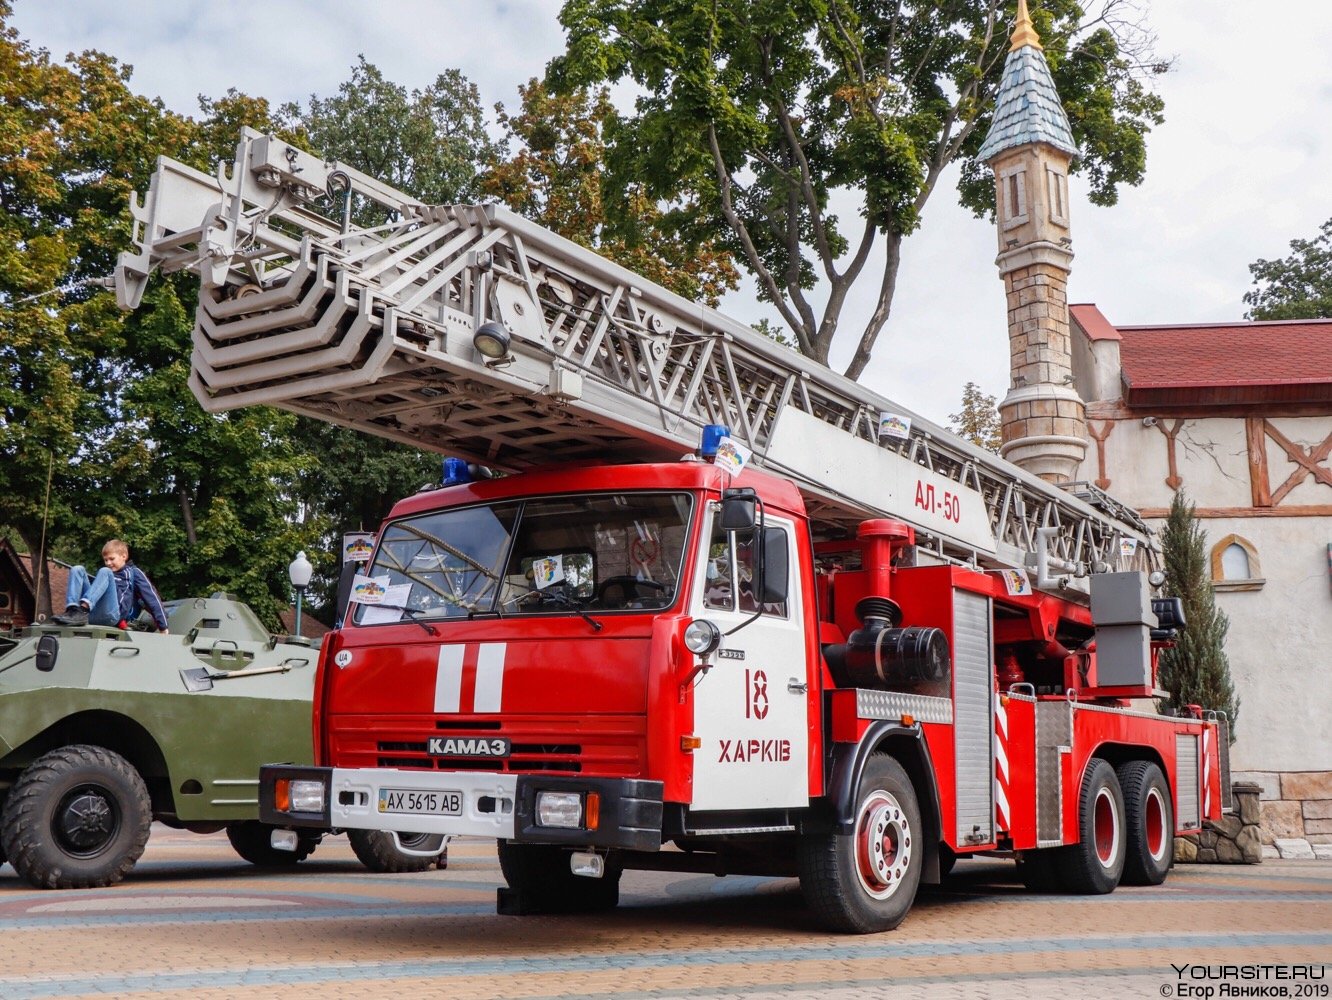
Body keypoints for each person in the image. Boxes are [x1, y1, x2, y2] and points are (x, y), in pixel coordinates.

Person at [52, 539, 169, 632]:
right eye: (105, 560)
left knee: (104, 572)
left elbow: (152, 598)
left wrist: (163, 627)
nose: (108, 563)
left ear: (124, 556)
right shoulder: (107, 575)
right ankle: (72, 610)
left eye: (111, 559)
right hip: (92, 614)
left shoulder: (134, 573)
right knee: (77, 569)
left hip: (112, 615)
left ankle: (82, 609)